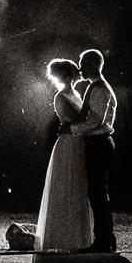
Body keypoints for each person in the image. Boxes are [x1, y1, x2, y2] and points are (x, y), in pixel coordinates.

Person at [34, 57, 95, 251]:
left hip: (78, 141)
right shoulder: (61, 97)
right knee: (66, 185)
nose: (79, 73)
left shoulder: (75, 93)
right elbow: (78, 118)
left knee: (78, 185)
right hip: (68, 144)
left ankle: (79, 238)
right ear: (68, 76)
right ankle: (62, 238)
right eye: (75, 72)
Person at [72, 47, 119, 252]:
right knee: (98, 192)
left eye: (82, 63)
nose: (79, 68)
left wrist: (72, 128)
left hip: (99, 143)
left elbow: (96, 121)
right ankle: (106, 238)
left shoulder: (99, 90)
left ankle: (103, 240)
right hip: (98, 143)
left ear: (93, 65)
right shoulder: (96, 87)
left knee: (97, 193)